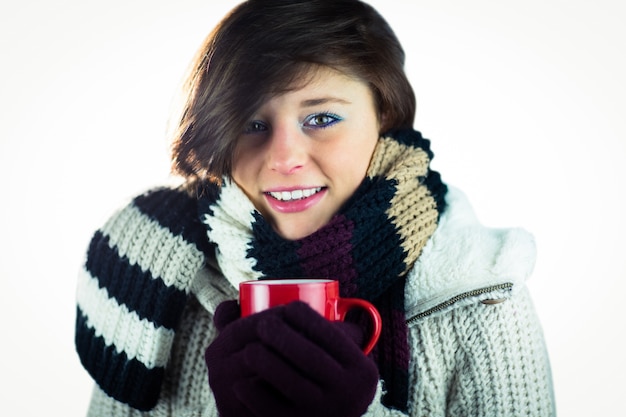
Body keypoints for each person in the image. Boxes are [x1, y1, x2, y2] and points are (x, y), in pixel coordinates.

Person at [74, 0, 556, 415]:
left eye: (321, 118)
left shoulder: (484, 292)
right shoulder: (149, 272)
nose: (284, 158)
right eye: (251, 124)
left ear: (384, 114)